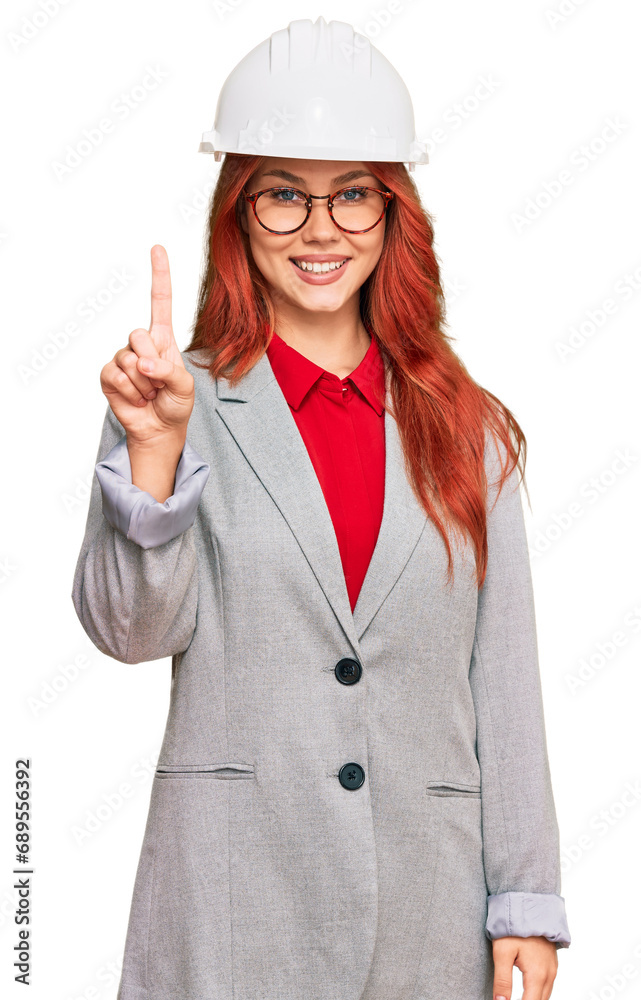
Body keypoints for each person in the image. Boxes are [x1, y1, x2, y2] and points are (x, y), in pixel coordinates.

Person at [71, 16, 571, 1000]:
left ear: (392, 215)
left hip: (423, 906)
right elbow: (131, 632)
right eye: (282, 197)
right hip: (230, 901)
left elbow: (502, 672)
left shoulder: (464, 425)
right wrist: (156, 455)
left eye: (350, 195)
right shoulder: (169, 398)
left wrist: (524, 896)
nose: (318, 229)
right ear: (236, 213)